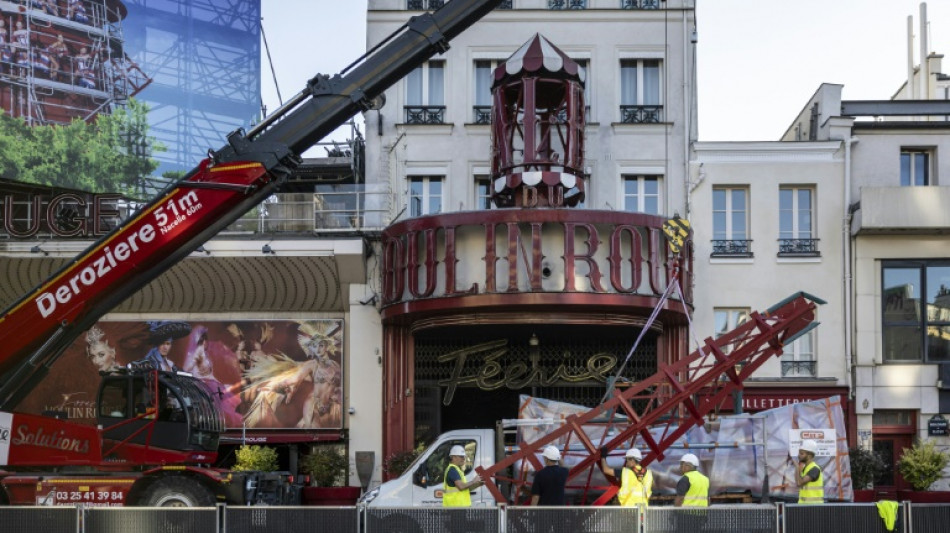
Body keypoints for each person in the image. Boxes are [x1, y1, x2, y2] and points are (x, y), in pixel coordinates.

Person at [796, 439, 825, 504]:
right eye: (799, 453)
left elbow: (799, 483)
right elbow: (798, 483)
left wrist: (797, 468)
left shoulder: (814, 469)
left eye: (802, 453)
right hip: (806, 506)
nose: (799, 455)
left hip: (814, 507)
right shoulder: (806, 468)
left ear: (809, 455)